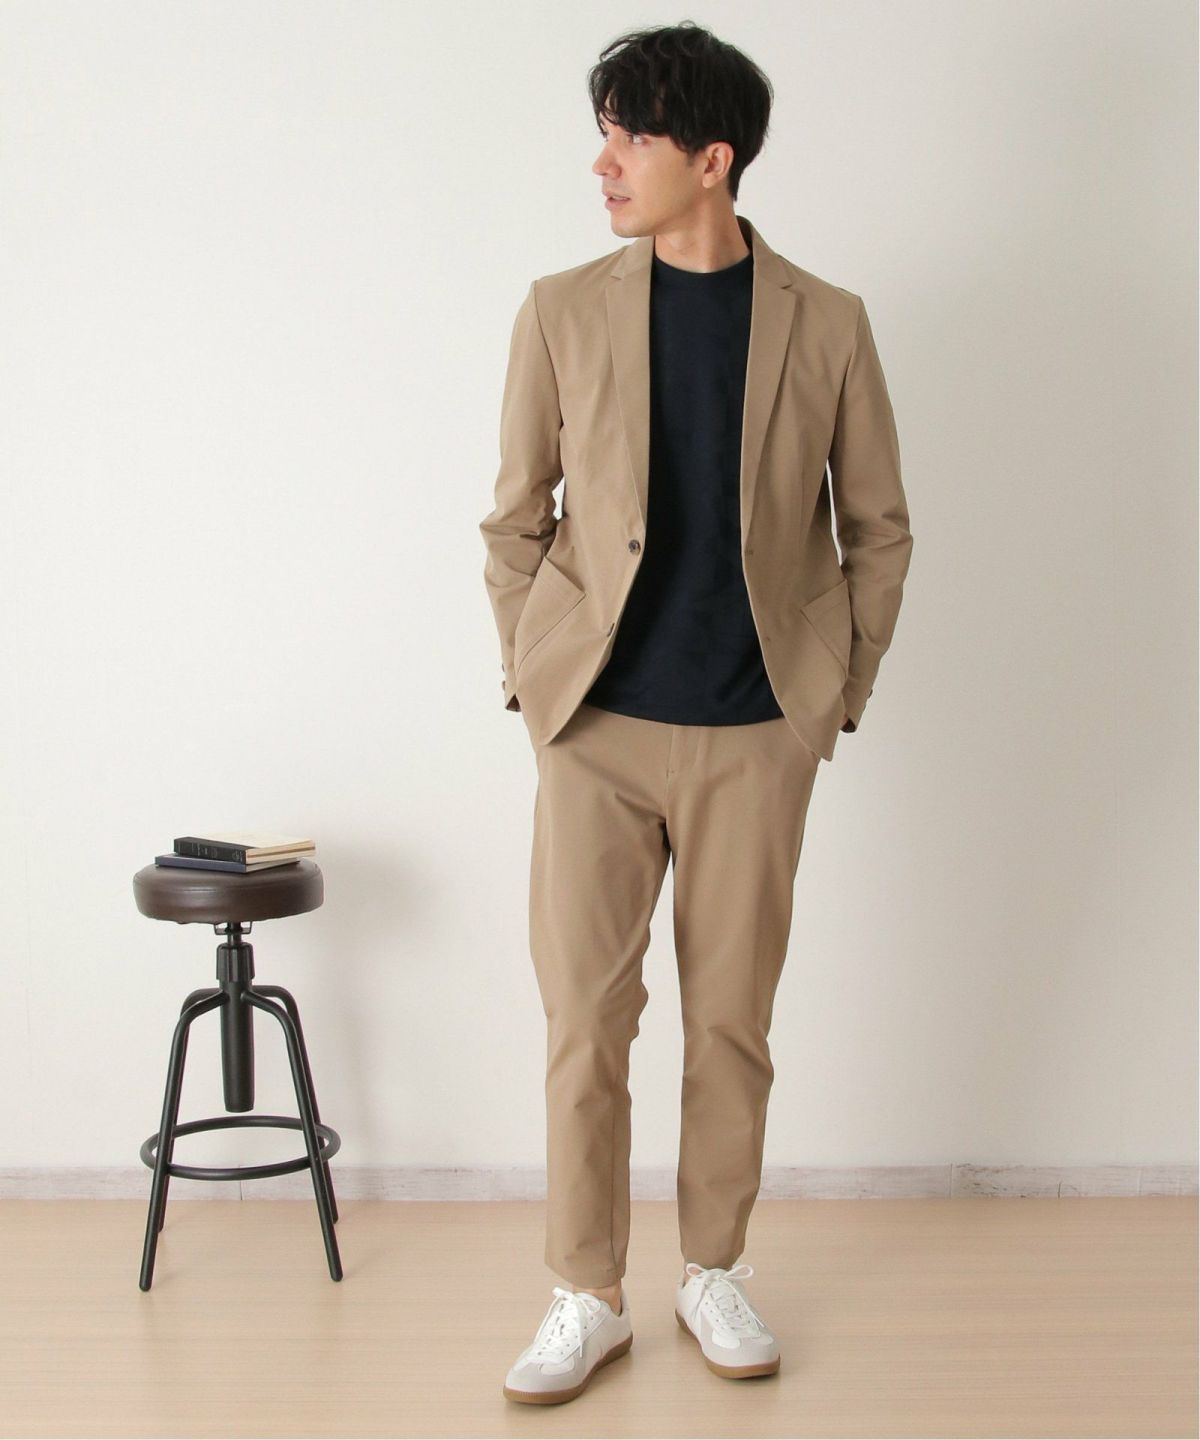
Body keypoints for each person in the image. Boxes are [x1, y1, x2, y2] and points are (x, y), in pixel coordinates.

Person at [479, 20, 913, 1406]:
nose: (603, 163)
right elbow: (515, 521)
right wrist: (538, 683)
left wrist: (832, 693)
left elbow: (879, 529)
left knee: (731, 1024)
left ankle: (712, 1268)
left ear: (711, 160)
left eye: (632, 137)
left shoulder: (827, 322)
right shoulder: (559, 309)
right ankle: (586, 1292)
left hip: (756, 729)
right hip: (595, 731)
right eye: (603, 134)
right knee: (583, 1024)